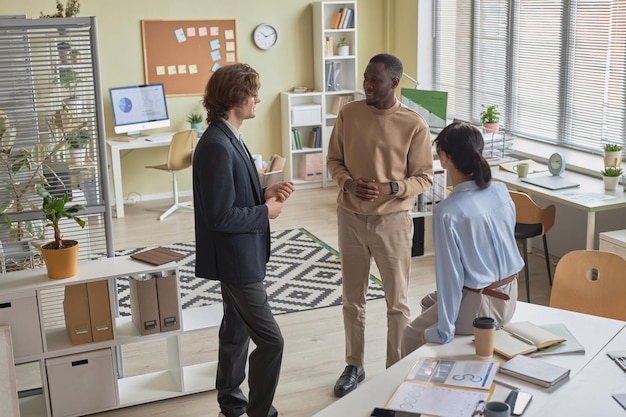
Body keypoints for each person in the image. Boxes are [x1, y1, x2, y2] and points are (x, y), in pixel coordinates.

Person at [326, 53, 434, 397]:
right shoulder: (349, 114)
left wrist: (393, 188)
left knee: (397, 303)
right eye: (365, 79)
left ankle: (395, 369)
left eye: (375, 80)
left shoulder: (414, 124)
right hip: (351, 217)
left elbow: (425, 178)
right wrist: (347, 183)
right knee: (352, 298)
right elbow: (334, 160)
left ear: (395, 82)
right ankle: (354, 364)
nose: (368, 86)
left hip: (393, 222)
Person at [193, 63, 296, 417]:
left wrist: (266, 191)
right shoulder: (216, 146)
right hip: (237, 261)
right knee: (272, 341)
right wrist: (265, 211)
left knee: (236, 332)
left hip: (242, 254)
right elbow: (218, 216)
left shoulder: (229, 137)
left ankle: (231, 406)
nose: (258, 99)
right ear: (235, 98)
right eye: (253, 92)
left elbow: (231, 195)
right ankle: (259, 412)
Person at [402, 122, 524, 355]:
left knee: (409, 335)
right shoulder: (501, 191)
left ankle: (409, 390)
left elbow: (450, 277)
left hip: (481, 307)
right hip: (510, 294)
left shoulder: (447, 212)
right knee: (429, 301)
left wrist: (443, 330)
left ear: (445, 158)